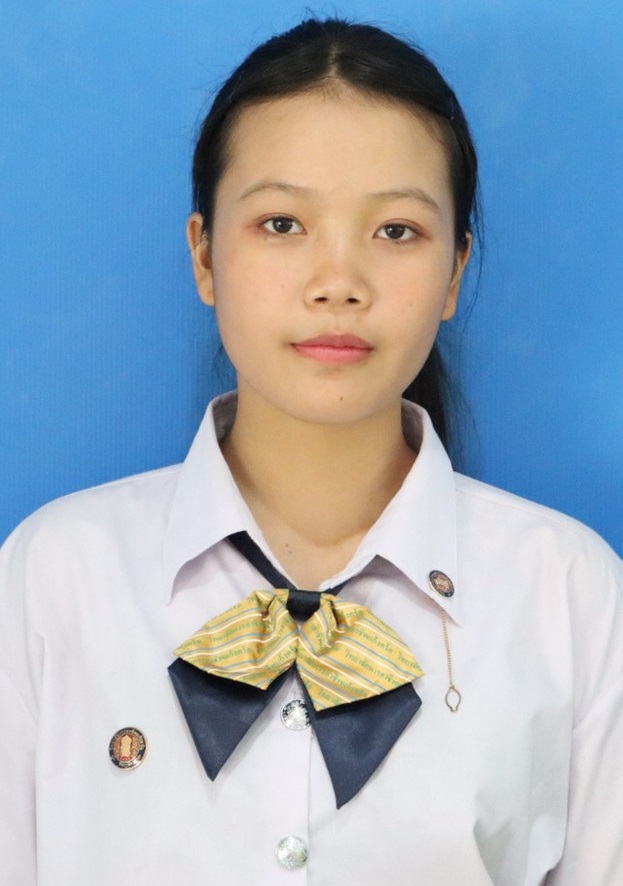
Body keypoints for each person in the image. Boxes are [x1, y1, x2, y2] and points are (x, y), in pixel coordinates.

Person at [0, 17, 621, 886]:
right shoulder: (54, 577)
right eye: (282, 222)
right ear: (204, 255)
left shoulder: (570, 594)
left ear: (454, 271)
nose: (338, 282)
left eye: (395, 231)